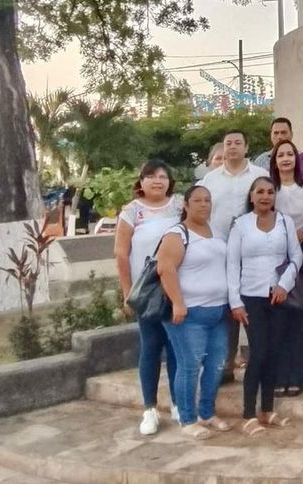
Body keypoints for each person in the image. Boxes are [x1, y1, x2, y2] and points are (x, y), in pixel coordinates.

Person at [228, 176, 303, 436]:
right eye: (260, 192)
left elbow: (296, 255)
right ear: (251, 196)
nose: (265, 196)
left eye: (270, 192)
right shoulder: (241, 225)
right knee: (258, 352)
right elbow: (231, 264)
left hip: (278, 296)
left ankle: (267, 409)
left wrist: (285, 284)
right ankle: (248, 413)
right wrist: (235, 301)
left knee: (274, 352)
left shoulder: (285, 222)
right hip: (251, 297)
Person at [156, 185, 231, 440]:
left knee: (216, 364)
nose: (203, 205)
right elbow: (165, 269)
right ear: (186, 205)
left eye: (208, 200)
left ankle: (206, 412)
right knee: (189, 366)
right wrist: (178, 302)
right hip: (188, 314)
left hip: (218, 312)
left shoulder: (217, 233)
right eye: (197, 200)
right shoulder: (177, 234)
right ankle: (187, 418)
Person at [114, 159, 181, 435]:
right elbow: (121, 253)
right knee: (151, 347)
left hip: (176, 288)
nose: (157, 181)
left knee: (177, 347)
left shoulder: (179, 205)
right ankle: (150, 409)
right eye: (151, 176)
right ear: (140, 182)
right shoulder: (132, 212)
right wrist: (127, 292)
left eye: (163, 176)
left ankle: (179, 402)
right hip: (147, 291)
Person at [199, 130, 269, 383]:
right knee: (227, 309)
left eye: (238, 142)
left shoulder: (260, 176)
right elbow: (201, 212)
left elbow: (270, 208)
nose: (232, 147)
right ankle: (226, 364)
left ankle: (258, 364)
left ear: (246, 146)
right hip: (219, 252)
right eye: (228, 143)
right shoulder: (210, 179)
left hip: (253, 254)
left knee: (254, 308)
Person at [269, 140, 303, 397]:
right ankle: (280, 374)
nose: (286, 158)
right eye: (281, 155)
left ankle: (300, 375)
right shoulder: (269, 188)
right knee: (279, 318)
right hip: (275, 257)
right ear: (274, 160)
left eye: (290, 154)